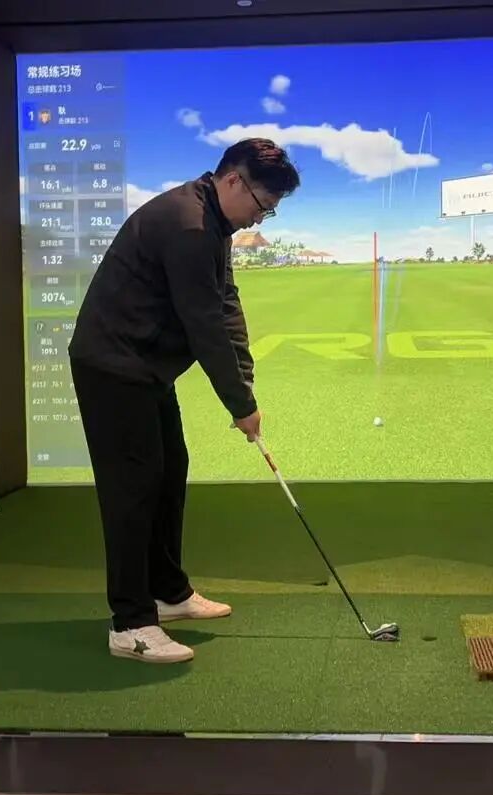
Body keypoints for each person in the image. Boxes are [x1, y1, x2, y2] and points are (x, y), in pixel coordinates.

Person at [68, 138, 301, 664]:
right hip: (112, 366)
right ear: (234, 180)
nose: (260, 218)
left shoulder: (215, 223)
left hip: (145, 367)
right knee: (132, 490)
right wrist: (239, 405)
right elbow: (204, 327)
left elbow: (226, 303)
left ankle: (168, 593)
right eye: (263, 205)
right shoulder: (190, 226)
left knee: (170, 471)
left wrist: (245, 385)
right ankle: (130, 623)